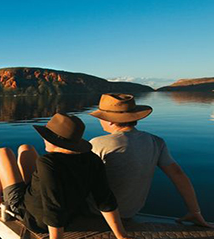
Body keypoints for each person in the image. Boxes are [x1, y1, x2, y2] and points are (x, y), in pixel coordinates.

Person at [0, 113, 160, 239]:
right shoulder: (91, 159)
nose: (43, 139)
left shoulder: (48, 163)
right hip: (66, 212)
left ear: (56, 141)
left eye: (46, 136)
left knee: (2, 152)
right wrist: (121, 236)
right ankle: (3, 194)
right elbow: (104, 199)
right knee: (26, 148)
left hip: (31, 215)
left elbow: (54, 208)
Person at [89, 93, 211, 227]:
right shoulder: (156, 141)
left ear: (110, 120)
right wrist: (195, 211)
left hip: (96, 211)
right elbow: (178, 175)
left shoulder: (98, 143)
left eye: (101, 117)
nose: (100, 120)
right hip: (130, 211)